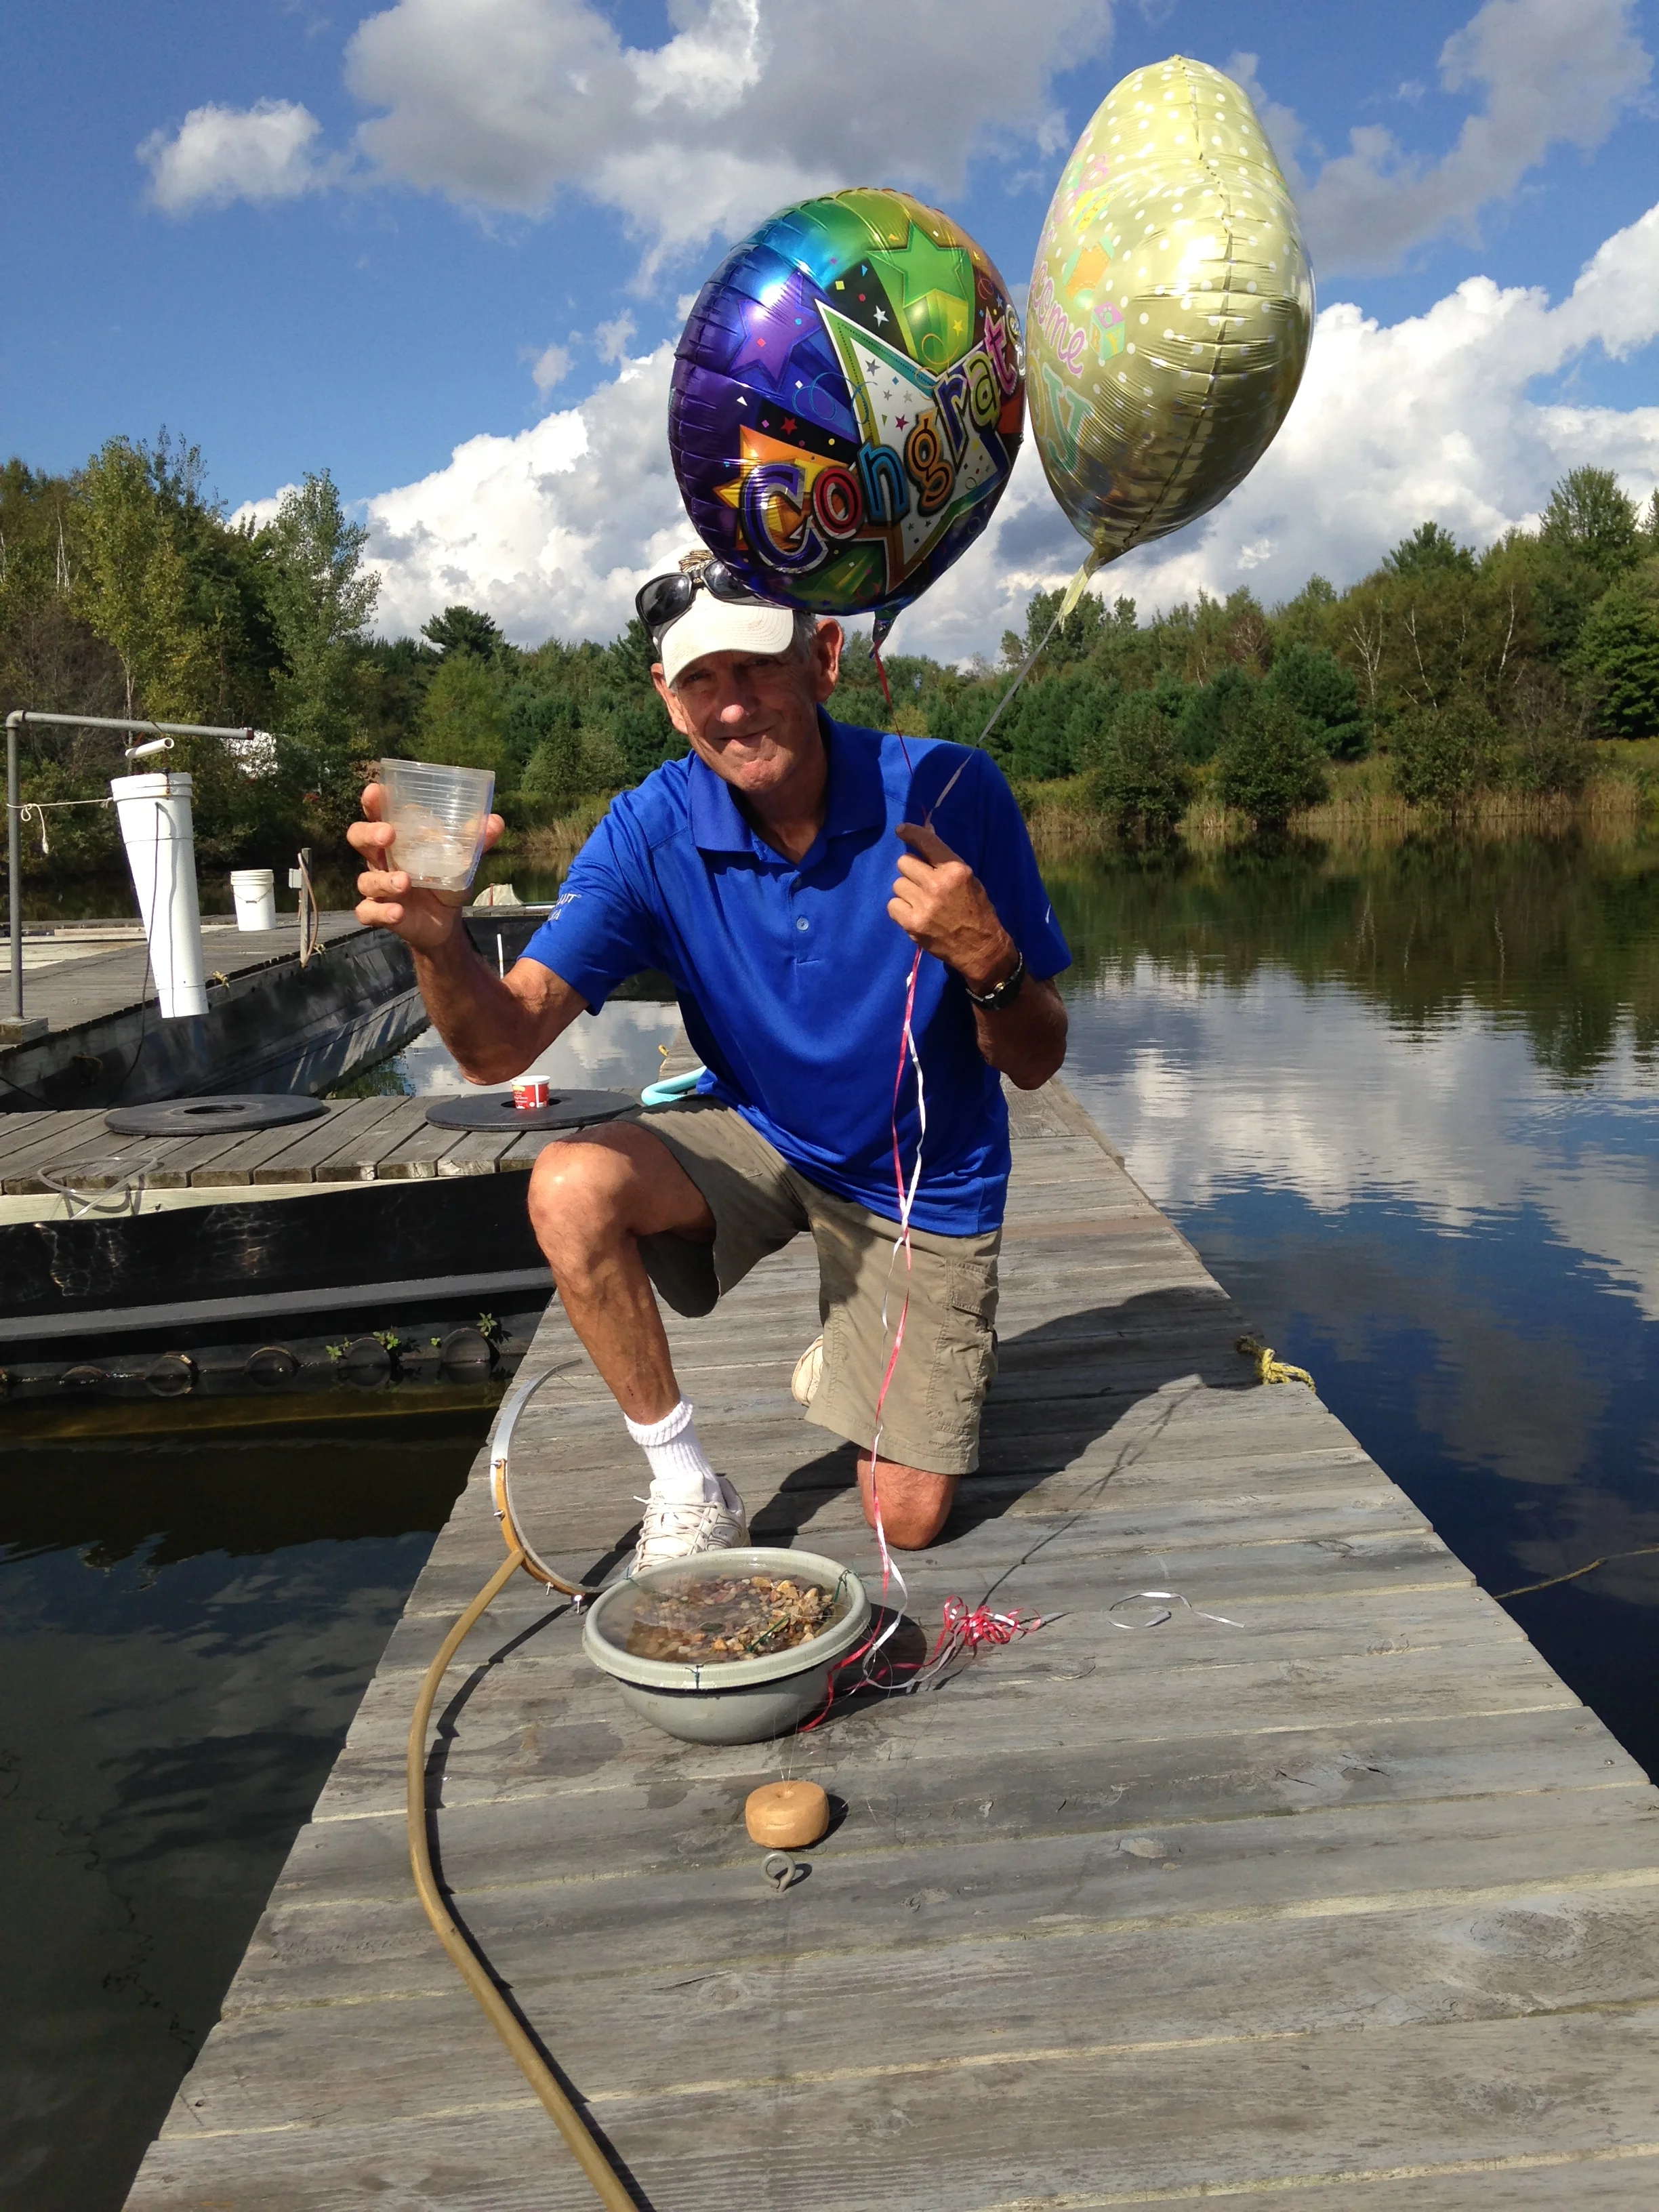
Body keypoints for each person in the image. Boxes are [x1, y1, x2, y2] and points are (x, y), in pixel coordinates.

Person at [348, 550, 1070, 1572]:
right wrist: (438, 945)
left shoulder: (954, 789)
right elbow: (499, 1046)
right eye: (700, 681)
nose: (732, 708)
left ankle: (862, 1350)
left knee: (902, 1516)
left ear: (823, 659)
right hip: (764, 1134)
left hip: (922, 1182)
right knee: (569, 1186)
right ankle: (686, 1482)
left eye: (756, 669)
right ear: (668, 700)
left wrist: (991, 963)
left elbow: (1037, 1063)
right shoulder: (649, 829)